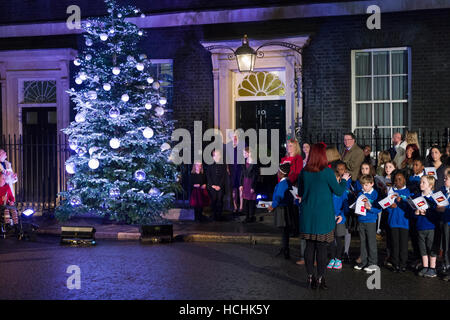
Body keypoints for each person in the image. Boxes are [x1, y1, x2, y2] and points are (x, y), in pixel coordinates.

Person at [298, 143, 351, 289]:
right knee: (321, 248)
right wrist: (344, 179)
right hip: (323, 215)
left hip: (308, 214)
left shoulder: (304, 172)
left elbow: (301, 192)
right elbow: (339, 191)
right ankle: (320, 278)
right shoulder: (327, 172)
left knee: (309, 247)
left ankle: (310, 278)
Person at [353, 175, 381, 273]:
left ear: (372, 184)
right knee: (363, 242)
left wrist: (370, 208)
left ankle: (373, 263)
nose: (364, 187)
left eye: (366, 185)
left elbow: (378, 209)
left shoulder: (375, 194)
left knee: (371, 242)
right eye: (362, 185)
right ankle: (363, 262)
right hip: (361, 220)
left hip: (371, 221)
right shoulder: (360, 193)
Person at [386, 171, 413, 272]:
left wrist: (403, 202)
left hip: (404, 222)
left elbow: (411, 208)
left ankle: (403, 264)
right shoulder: (391, 192)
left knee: (403, 245)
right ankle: (395, 263)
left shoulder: (408, 192)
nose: (398, 181)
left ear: (404, 180)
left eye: (400, 179)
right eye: (396, 180)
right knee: (395, 244)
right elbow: (386, 207)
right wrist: (390, 206)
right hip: (393, 222)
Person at [268, 162, 295, 260]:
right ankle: (285, 249)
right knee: (285, 231)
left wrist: (272, 206)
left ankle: (285, 249)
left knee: (284, 231)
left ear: (282, 173)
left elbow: (279, 196)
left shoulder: (282, 184)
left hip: (282, 209)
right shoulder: (288, 182)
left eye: (278, 171)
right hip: (288, 208)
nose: (277, 173)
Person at [414, 175, 440, 278]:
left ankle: (432, 268)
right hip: (420, 226)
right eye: (420, 182)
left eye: (423, 183)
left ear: (430, 186)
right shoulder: (418, 197)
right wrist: (415, 212)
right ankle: (425, 266)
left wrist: (427, 213)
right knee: (422, 248)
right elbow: (413, 213)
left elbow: (437, 214)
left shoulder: (434, 199)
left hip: (430, 227)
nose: (421, 184)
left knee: (431, 247)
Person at [327, 164, 349, 271]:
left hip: (340, 219)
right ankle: (332, 258)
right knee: (331, 239)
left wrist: (341, 216)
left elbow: (345, 207)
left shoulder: (343, 191)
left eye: (336, 179)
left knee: (338, 239)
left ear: (339, 179)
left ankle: (338, 259)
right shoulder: (328, 192)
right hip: (330, 218)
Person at [206, 149, 228, 221]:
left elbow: (224, 176)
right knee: (213, 201)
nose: (219, 156)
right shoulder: (209, 165)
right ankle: (214, 215)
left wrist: (220, 186)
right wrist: (212, 185)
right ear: (213, 156)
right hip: (212, 186)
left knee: (220, 201)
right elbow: (208, 176)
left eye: (219, 154)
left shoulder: (223, 165)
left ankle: (219, 216)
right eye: (217, 155)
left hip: (220, 186)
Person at [436, 168, 450, 280]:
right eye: (444, 178)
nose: (444, 180)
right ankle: (446, 264)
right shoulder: (443, 191)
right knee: (445, 244)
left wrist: (445, 209)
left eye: (447, 178)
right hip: (445, 221)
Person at [226, 132, 244, 216]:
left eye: (236, 137)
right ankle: (235, 206)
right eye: (233, 137)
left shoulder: (242, 145)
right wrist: (227, 168)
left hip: (240, 169)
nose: (235, 138)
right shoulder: (228, 146)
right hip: (232, 170)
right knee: (233, 189)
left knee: (240, 188)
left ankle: (241, 207)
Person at [240, 147, 258, 223]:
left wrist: (253, 186)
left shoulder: (254, 163)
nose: (243, 154)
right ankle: (247, 216)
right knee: (246, 200)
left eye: (245, 153)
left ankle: (251, 216)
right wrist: (241, 184)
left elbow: (256, 176)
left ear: (249, 153)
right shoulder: (243, 162)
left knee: (251, 201)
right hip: (245, 182)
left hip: (251, 183)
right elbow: (242, 174)